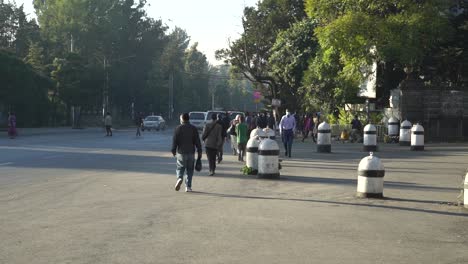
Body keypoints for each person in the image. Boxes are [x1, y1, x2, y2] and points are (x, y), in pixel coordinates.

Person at [171, 113, 202, 192]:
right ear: (188, 119)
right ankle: (188, 187)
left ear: (182, 119)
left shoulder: (177, 128)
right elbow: (197, 142)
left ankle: (180, 178)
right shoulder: (193, 128)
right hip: (191, 152)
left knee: (180, 168)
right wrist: (199, 152)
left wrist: (173, 150)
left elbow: (175, 141)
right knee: (190, 170)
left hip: (181, 152)